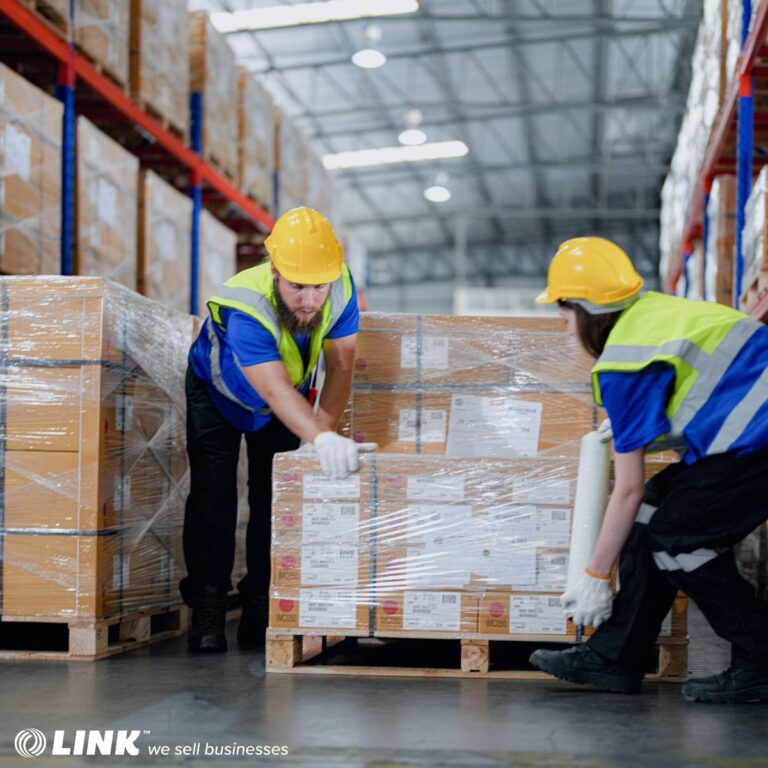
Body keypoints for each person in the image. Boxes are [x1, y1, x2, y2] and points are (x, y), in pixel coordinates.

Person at [529, 236, 768, 703]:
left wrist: (595, 575)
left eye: (564, 318)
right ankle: (616, 658)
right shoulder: (652, 311)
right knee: (655, 515)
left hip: (757, 446)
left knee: (680, 539)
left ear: (584, 309)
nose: (565, 331)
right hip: (745, 443)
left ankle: (760, 657)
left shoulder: (624, 364)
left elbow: (627, 490)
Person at [181, 207, 374, 653]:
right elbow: (271, 389)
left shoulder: (339, 289)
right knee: (215, 495)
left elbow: (341, 365)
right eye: (297, 287)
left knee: (276, 497)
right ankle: (208, 606)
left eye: (318, 287)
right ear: (274, 273)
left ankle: (260, 606)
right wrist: (320, 437)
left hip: (286, 398)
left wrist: (319, 433)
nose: (310, 300)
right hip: (219, 391)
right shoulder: (245, 304)